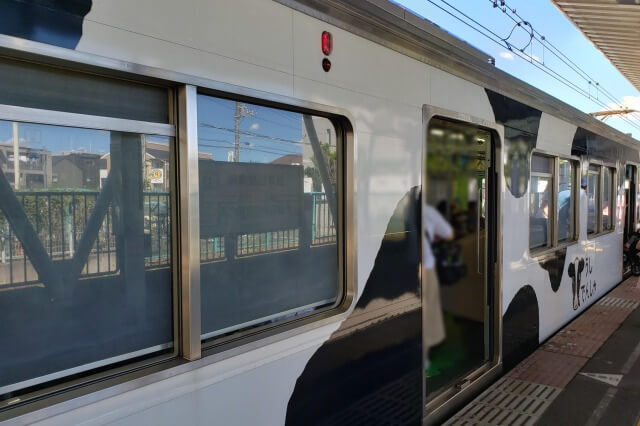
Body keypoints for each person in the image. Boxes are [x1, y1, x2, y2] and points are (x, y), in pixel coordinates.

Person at [423, 203, 454, 372]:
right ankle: (423, 358)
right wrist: (432, 235)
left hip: (399, 268)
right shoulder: (427, 211)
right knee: (427, 312)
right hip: (424, 269)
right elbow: (449, 234)